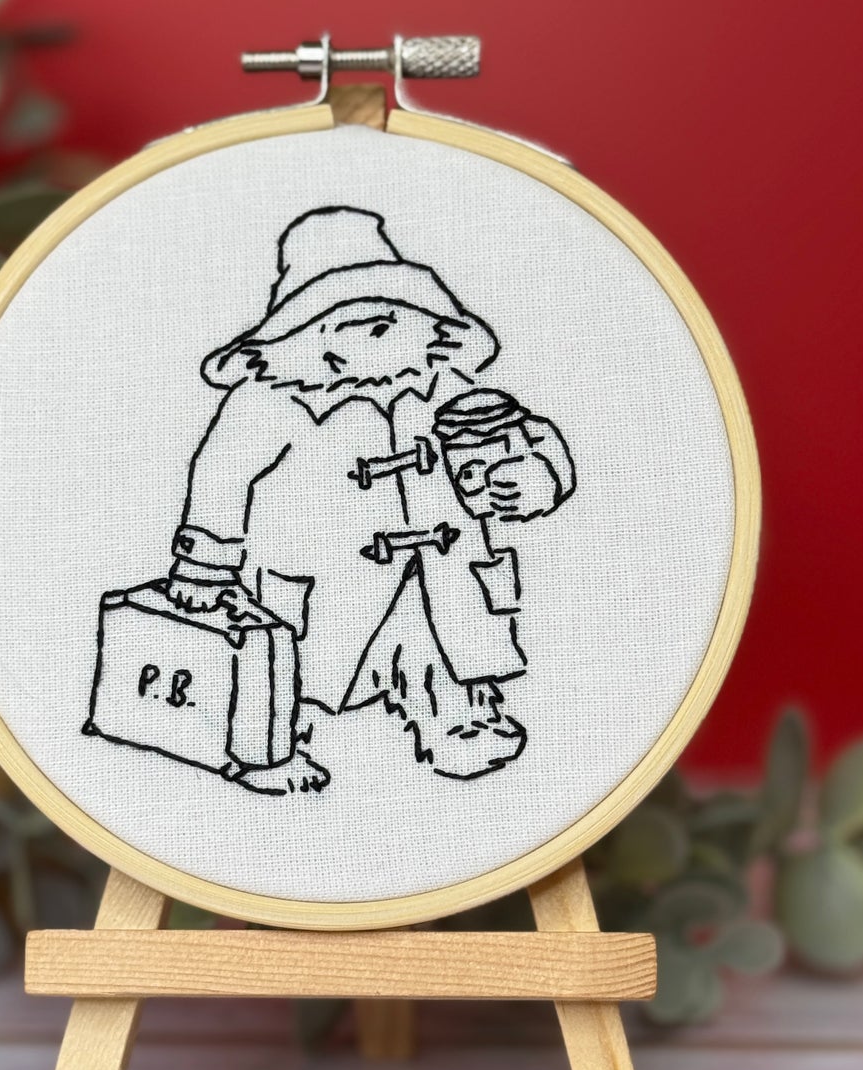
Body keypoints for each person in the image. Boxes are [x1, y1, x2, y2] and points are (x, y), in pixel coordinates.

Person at [165, 206, 576, 793]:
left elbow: (512, 437)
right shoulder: (267, 400)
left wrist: (533, 476)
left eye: (387, 319)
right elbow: (220, 476)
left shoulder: (446, 386)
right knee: (291, 666)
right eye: (337, 321)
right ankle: (269, 749)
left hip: (440, 567)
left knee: (444, 643)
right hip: (320, 576)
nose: (369, 335)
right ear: (295, 333)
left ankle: (460, 720)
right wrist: (205, 566)